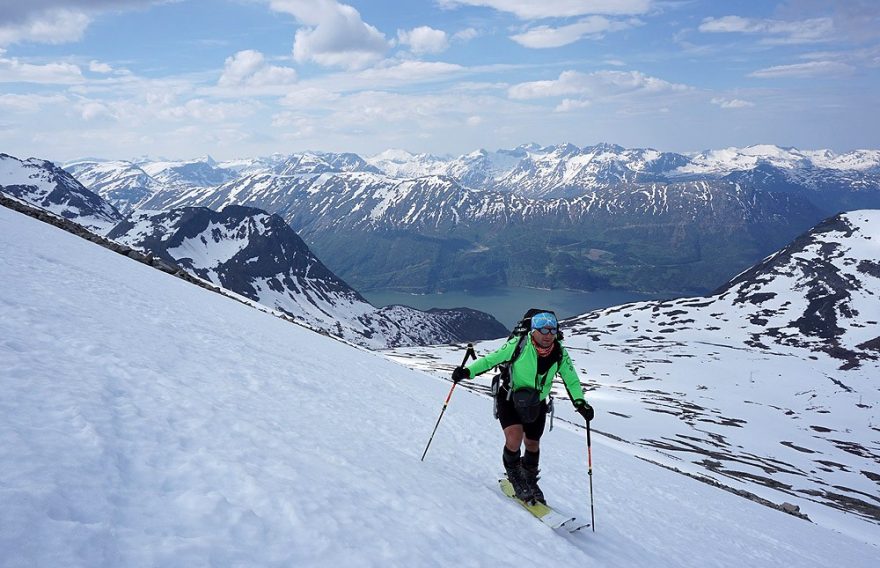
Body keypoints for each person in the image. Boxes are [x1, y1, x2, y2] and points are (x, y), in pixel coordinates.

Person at [451, 311, 594, 504]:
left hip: (536, 403)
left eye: (552, 330)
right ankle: (516, 477)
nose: (548, 334)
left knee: (533, 443)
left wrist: (580, 403)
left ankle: (530, 480)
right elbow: (491, 360)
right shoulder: (519, 344)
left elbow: (572, 379)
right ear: (533, 331)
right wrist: (467, 372)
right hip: (509, 397)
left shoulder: (560, 352)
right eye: (543, 330)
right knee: (514, 438)